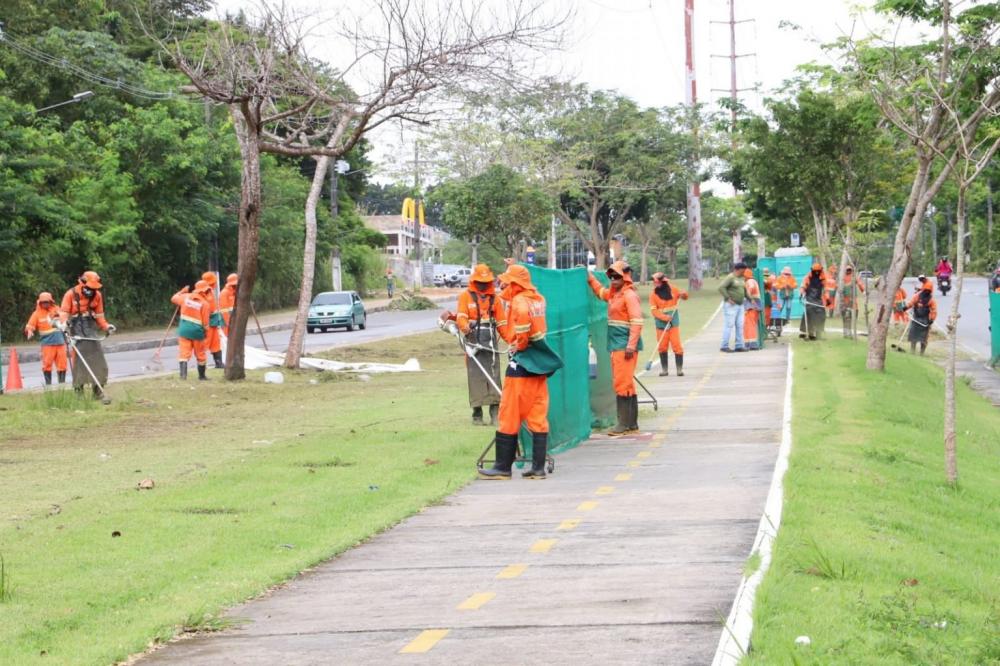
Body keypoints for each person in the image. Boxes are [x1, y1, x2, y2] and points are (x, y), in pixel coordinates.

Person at [479, 263, 563, 480]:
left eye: (507, 281)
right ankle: (537, 468)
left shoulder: (519, 301)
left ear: (515, 284)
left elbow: (522, 317)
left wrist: (521, 343)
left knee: (508, 413)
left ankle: (502, 467)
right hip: (539, 368)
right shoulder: (538, 299)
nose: (503, 284)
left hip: (522, 366)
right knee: (537, 416)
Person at [588, 260, 644, 435]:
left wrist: (631, 345)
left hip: (624, 346)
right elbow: (600, 292)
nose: (613, 279)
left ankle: (623, 425)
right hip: (616, 344)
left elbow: (637, 321)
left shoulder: (629, 295)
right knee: (627, 384)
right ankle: (631, 424)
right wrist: (589, 277)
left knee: (621, 383)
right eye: (611, 276)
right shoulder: (614, 294)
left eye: (617, 276)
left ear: (625, 277)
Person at [452, 264, 505, 425]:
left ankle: (495, 412)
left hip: (489, 339)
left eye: (486, 282)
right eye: (480, 282)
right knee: (475, 375)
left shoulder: (495, 298)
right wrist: (465, 326)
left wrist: (512, 340)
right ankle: (477, 413)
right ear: (474, 280)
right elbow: (461, 316)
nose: (483, 285)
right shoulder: (465, 296)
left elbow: (502, 322)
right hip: (473, 339)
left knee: (493, 375)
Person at [60, 270, 115, 399]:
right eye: (89, 288)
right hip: (75, 328)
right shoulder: (71, 294)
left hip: (90, 328)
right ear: (82, 283)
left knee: (98, 359)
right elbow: (64, 312)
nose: (91, 291)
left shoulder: (98, 296)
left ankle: (97, 391)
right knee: (79, 360)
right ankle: (79, 391)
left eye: (94, 288)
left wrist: (107, 327)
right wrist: (64, 324)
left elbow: (100, 316)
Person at [171, 281, 212, 381]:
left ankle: (183, 376)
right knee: (200, 354)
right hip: (197, 333)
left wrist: (182, 291)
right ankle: (202, 376)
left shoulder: (185, 298)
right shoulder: (205, 304)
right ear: (205, 291)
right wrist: (205, 334)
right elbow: (206, 324)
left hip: (184, 331)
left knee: (184, 353)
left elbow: (173, 298)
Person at [24, 292, 68, 385]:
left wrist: (64, 322)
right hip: (47, 344)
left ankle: (62, 385)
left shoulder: (57, 310)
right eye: (43, 302)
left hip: (60, 342)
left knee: (62, 364)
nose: (45, 304)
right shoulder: (36, 314)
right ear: (40, 303)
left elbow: (64, 320)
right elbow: (30, 325)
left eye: (47, 302)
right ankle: (48, 385)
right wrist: (29, 331)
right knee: (47, 364)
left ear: (51, 302)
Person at [649, 272, 688, 376]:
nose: (655, 284)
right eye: (654, 282)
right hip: (661, 325)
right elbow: (654, 311)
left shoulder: (673, 289)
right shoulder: (653, 294)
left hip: (673, 324)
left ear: (663, 282)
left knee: (677, 346)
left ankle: (679, 370)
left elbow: (684, 297)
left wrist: (684, 294)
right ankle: (664, 370)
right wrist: (665, 317)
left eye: (657, 282)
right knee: (662, 346)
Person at [718, 262, 748, 352]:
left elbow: (744, 290)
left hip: (740, 305)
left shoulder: (742, 278)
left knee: (740, 325)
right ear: (738, 269)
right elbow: (721, 287)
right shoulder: (730, 277)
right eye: (743, 270)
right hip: (731, 305)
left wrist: (751, 299)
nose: (744, 272)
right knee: (729, 325)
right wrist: (728, 298)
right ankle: (724, 346)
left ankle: (739, 345)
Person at [201, 271, 225, 369]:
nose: (215, 283)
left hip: (214, 322)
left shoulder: (210, 291)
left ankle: (218, 363)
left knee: (216, 343)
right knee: (205, 344)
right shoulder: (203, 292)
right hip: (208, 322)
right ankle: (202, 365)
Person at [906, 282, 937, 355]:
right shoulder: (917, 296)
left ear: (931, 291)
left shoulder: (931, 300)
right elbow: (911, 303)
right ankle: (912, 351)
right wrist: (905, 308)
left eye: (929, 290)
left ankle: (921, 353)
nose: (927, 291)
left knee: (924, 338)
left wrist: (932, 319)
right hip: (915, 318)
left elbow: (934, 310)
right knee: (913, 335)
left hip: (925, 320)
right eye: (926, 289)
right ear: (923, 289)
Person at [799, 263, 827, 340]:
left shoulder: (823, 278)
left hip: (818, 299)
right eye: (815, 271)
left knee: (821, 315)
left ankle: (819, 332)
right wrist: (801, 294)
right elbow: (803, 286)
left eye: (818, 271)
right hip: (809, 299)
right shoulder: (807, 277)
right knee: (809, 313)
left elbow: (826, 289)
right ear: (812, 270)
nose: (817, 273)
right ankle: (809, 332)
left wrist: (827, 299)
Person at [839, 266, 865, 338]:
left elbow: (860, 284)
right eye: (848, 270)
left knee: (852, 315)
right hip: (845, 300)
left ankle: (849, 332)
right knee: (846, 317)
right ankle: (847, 333)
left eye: (849, 270)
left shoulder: (854, 278)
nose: (849, 271)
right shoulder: (843, 278)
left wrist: (863, 291)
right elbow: (840, 289)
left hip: (852, 300)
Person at [743, 268, 762, 350]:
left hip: (751, 306)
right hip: (752, 307)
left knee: (750, 325)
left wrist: (747, 295)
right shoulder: (751, 281)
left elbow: (750, 289)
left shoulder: (750, 281)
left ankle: (752, 343)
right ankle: (747, 343)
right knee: (747, 325)